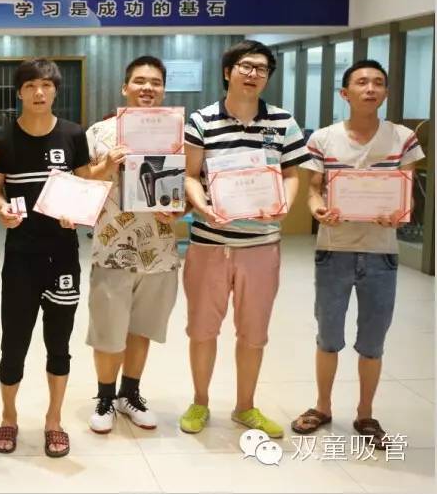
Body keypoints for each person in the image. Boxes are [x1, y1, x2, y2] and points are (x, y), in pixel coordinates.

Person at [291, 59, 424, 448]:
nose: (370, 88)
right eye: (362, 82)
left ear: (386, 92)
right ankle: (322, 406)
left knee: (372, 341)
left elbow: (407, 191)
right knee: (328, 336)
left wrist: (399, 213)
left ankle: (366, 414)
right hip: (333, 250)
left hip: (381, 253)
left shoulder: (402, 138)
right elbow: (313, 188)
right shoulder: (324, 139)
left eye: (378, 83)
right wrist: (318, 210)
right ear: (345, 93)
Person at [181, 40, 309, 438]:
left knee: (254, 334)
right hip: (209, 243)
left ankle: (245, 406)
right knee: (202, 329)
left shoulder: (283, 122)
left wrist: (285, 206)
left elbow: (291, 174)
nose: (253, 74)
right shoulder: (201, 120)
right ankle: (200, 402)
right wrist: (203, 207)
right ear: (228, 72)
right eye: (245, 66)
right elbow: (190, 175)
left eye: (261, 69)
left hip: (261, 245)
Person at [0, 58, 92, 458]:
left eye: (46, 85)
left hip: (63, 255)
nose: (39, 92)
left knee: (59, 343)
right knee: (13, 343)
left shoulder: (73, 134)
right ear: (19, 92)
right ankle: (8, 416)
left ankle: (54, 421)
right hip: (20, 256)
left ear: (55, 91)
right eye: (31, 85)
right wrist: (1, 208)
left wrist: (77, 211)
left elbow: (85, 185)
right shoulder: (3, 139)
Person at [83, 56, 184, 434]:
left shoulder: (177, 131)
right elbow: (82, 182)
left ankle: (130, 393)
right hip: (112, 247)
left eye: (155, 82)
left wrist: (179, 210)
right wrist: (106, 165)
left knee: (142, 327)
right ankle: (105, 397)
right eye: (140, 81)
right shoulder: (100, 132)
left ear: (163, 90)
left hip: (159, 249)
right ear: (125, 87)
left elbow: (188, 184)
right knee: (108, 329)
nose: (147, 88)